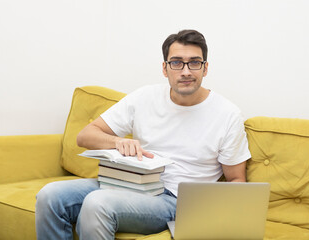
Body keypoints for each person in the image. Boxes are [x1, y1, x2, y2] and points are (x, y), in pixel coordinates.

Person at [35, 29, 251, 240]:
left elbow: (236, 179)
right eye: (176, 62)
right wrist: (117, 141)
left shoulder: (227, 115)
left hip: (175, 200)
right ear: (165, 69)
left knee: (97, 203)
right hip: (131, 182)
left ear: (205, 68)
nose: (186, 71)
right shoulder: (145, 97)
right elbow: (84, 136)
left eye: (194, 62)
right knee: (50, 196)